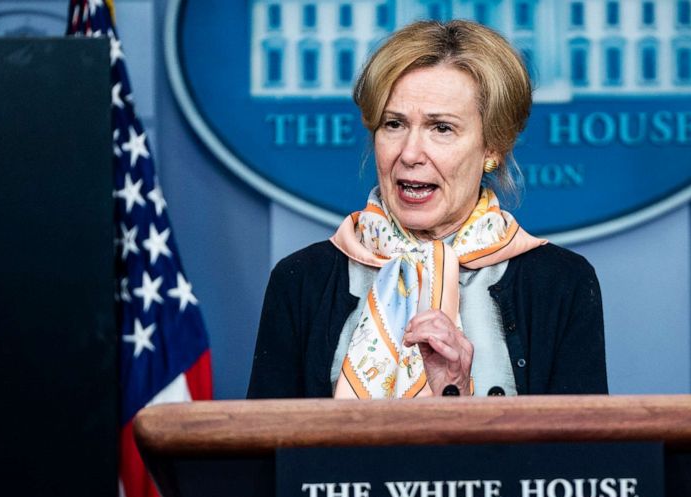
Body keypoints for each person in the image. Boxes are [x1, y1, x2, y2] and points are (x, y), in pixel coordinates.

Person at [248, 20, 606, 399]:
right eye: (394, 124)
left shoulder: (561, 284)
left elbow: (578, 456)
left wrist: (455, 394)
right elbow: (267, 452)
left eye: (441, 128)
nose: (410, 154)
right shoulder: (301, 281)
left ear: (492, 148)